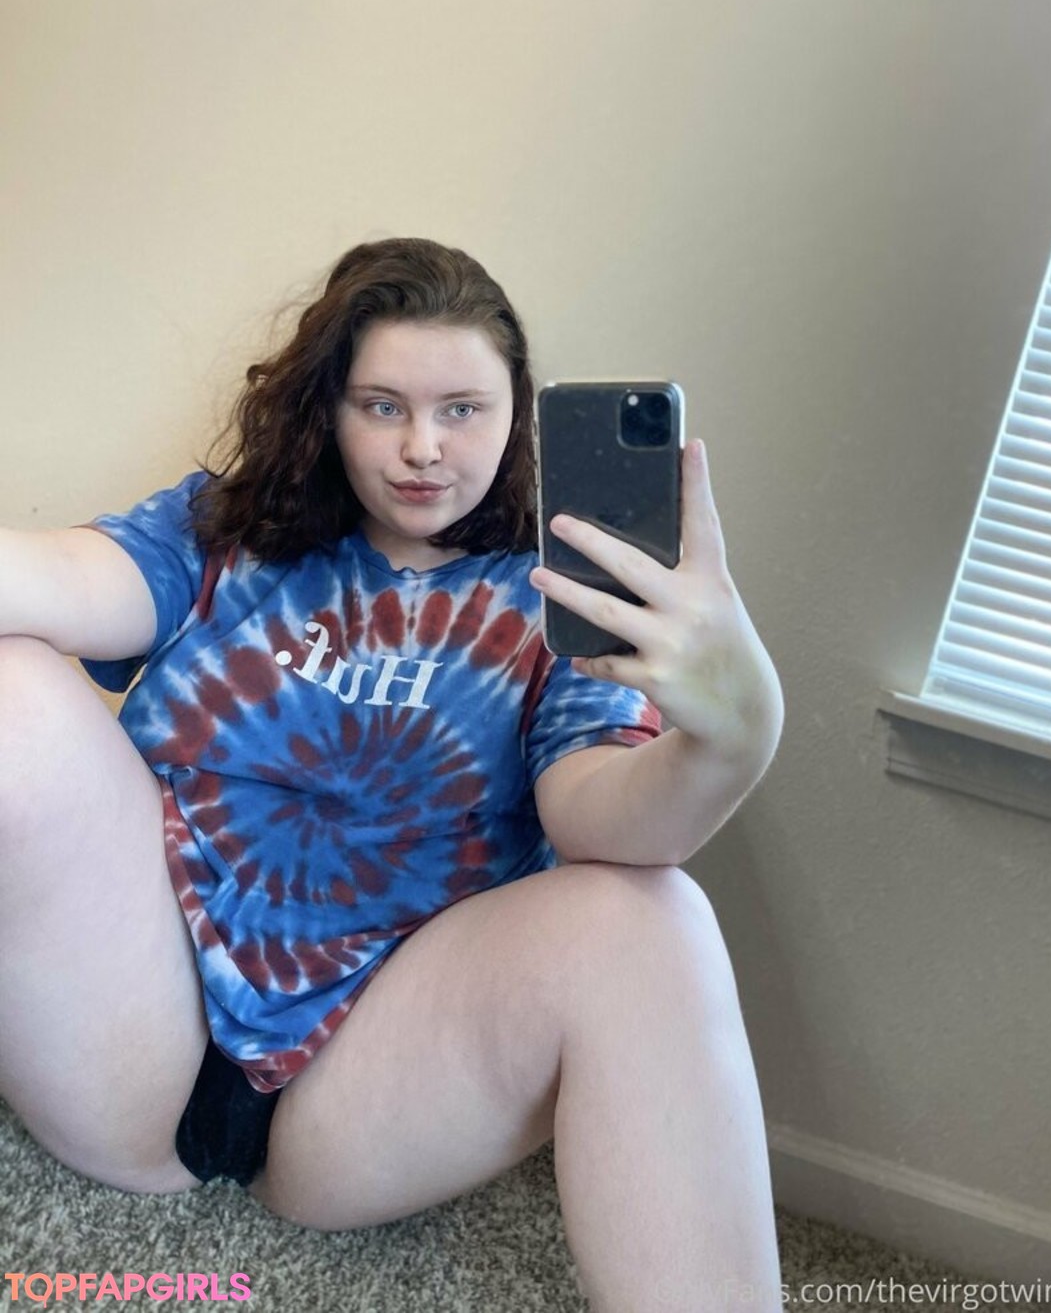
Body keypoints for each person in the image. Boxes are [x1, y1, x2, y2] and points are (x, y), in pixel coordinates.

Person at [0, 236, 785, 1312]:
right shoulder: (225, 529)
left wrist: (735, 735)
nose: (423, 449)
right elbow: (52, 577)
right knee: (12, 685)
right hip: (135, 1009)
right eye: (383, 406)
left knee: (658, 921)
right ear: (327, 408)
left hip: (363, 1085)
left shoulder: (557, 605)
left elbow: (600, 819)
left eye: (462, 408)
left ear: (515, 414)